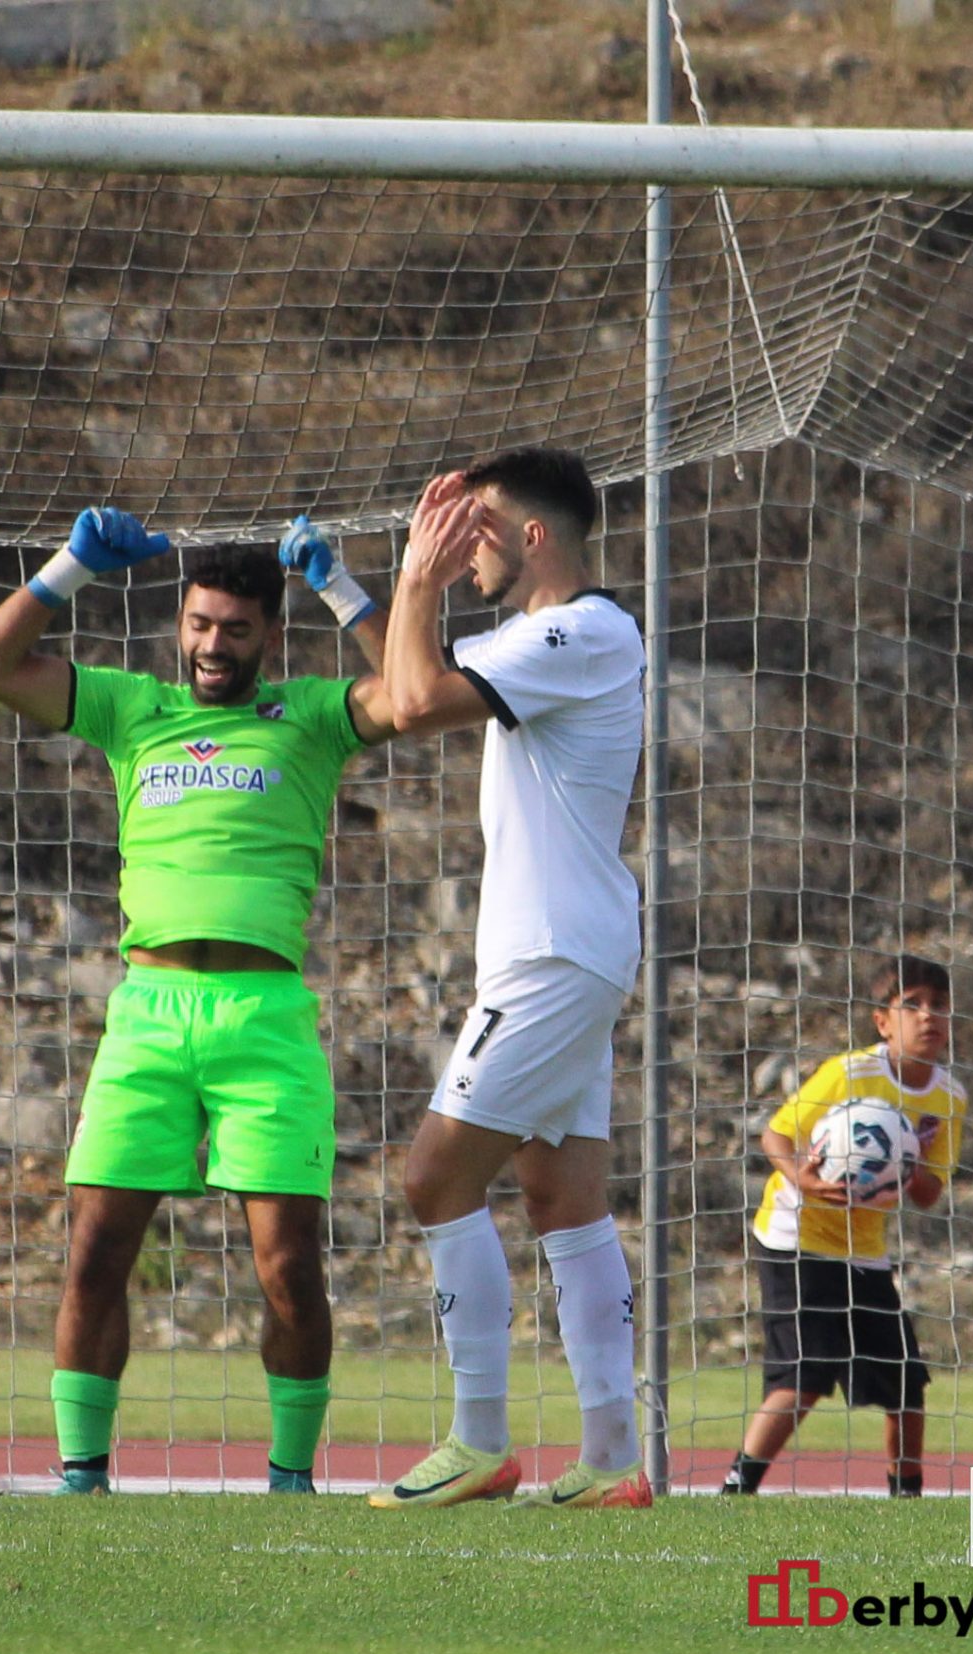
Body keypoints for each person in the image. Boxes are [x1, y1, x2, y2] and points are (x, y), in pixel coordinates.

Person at [0, 504, 396, 1495]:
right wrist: (67, 566)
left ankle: (290, 1476)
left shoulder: (313, 716)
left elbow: (416, 687)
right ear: (179, 623)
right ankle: (82, 1476)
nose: (211, 644)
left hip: (264, 1017)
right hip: (147, 1011)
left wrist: (344, 587)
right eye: (199, 624)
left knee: (287, 1263)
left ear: (270, 636)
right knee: (95, 1247)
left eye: (235, 629)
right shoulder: (132, 708)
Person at [372, 446, 652, 1510]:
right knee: (558, 1193)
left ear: (532, 536)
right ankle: (613, 1459)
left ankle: (478, 1438)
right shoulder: (552, 638)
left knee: (435, 1178)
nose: (461, 544)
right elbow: (413, 677)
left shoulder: (579, 628)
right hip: (567, 950)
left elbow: (410, 701)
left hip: (548, 956)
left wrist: (412, 578)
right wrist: (367, 590)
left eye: (475, 524)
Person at [725, 954, 963, 1498]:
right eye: (913, 1005)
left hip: (863, 1251)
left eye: (940, 1007)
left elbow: (929, 1194)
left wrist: (902, 1157)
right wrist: (802, 1179)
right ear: (883, 1021)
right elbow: (776, 1136)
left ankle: (907, 1499)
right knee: (805, 1375)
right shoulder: (851, 1073)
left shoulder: (948, 1099)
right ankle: (736, 1491)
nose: (930, 1017)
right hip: (795, 1236)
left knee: (905, 1384)